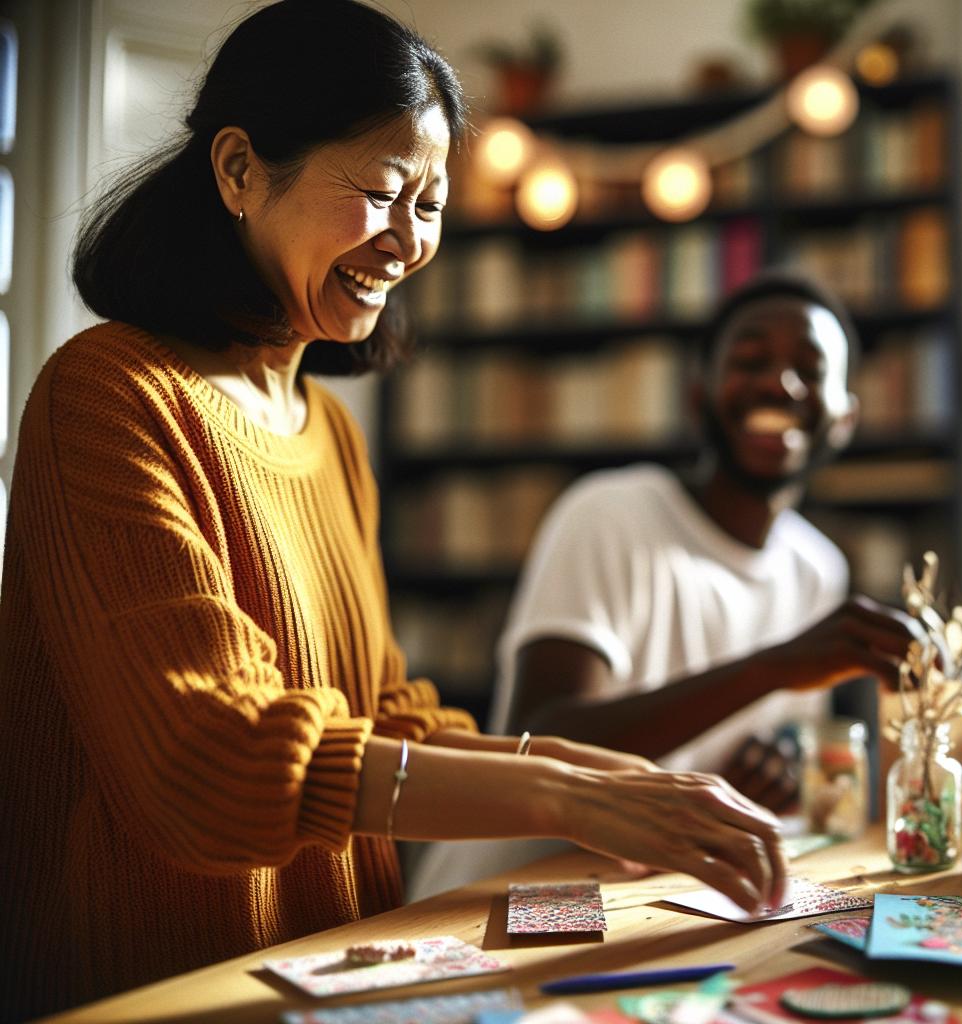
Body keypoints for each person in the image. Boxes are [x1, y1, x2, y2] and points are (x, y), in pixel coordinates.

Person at [0, 4, 783, 1017]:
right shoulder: (106, 396)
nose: (410, 241)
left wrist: (599, 778)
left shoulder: (327, 428)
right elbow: (209, 756)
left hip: (334, 978)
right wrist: (564, 795)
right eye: (380, 192)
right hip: (157, 991)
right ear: (238, 171)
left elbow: (378, 712)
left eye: (431, 203)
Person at [409, 272, 919, 899]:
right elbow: (539, 737)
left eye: (809, 369)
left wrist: (767, 777)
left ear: (843, 418)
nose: (778, 382)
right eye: (751, 359)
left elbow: (728, 766)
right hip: (503, 898)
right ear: (698, 396)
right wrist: (774, 668)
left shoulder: (817, 568)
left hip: (655, 901)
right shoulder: (611, 514)